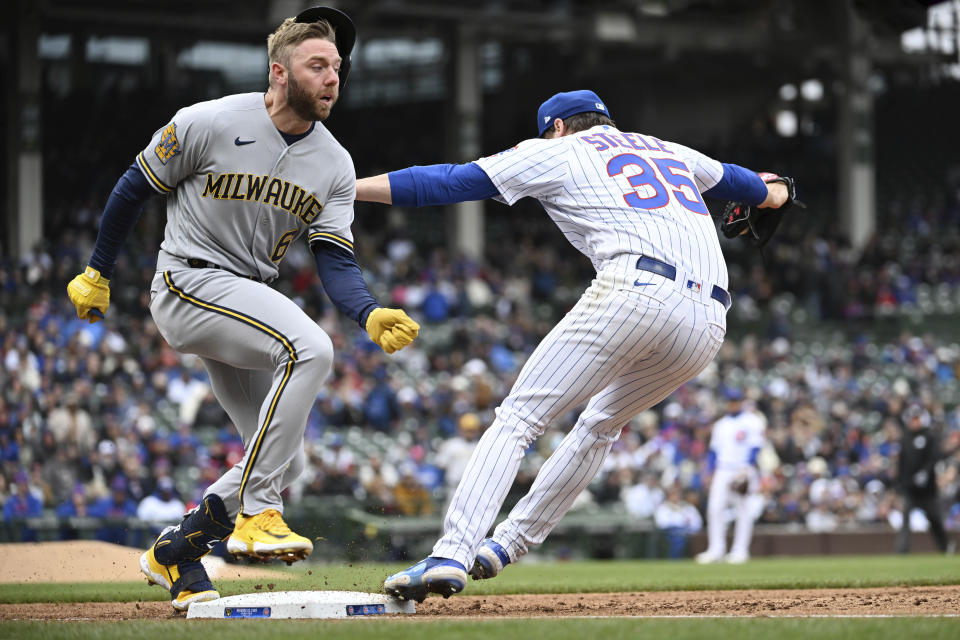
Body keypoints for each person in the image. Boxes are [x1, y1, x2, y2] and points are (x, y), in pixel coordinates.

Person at [356, 89, 792, 601]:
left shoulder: (558, 149)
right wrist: (780, 189)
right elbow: (764, 190)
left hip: (635, 290)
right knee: (600, 426)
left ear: (558, 127)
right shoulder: (668, 149)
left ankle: (452, 553)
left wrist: (350, 188)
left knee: (518, 420)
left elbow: (451, 181)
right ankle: (506, 546)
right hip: (708, 321)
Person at [65, 6, 420, 611]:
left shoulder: (334, 163)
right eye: (318, 65)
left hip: (245, 298)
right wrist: (99, 270)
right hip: (188, 281)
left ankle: (177, 550)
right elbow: (134, 185)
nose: (333, 77)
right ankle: (259, 513)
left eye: (338, 67)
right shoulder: (208, 121)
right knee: (310, 347)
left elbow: (333, 256)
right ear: (279, 72)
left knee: (291, 461)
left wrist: (366, 311)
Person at [695, 388, 766, 564]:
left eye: (736, 400)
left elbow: (756, 447)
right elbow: (713, 451)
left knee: (743, 510)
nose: (733, 404)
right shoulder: (721, 425)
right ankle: (716, 550)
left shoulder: (753, 421)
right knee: (714, 509)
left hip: (742, 469)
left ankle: (740, 551)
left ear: (741, 401)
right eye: (730, 401)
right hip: (723, 469)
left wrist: (747, 468)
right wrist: (709, 471)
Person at [895, 404, 956, 553]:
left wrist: (925, 472)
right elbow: (902, 463)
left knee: (935, 520)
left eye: (916, 419)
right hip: (910, 489)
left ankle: (945, 547)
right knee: (905, 519)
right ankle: (902, 551)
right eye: (912, 419)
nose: (914, 422)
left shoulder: (930, 436)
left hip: (927, 490)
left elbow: (935, 457)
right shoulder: (905, 438)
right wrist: (899, 484)